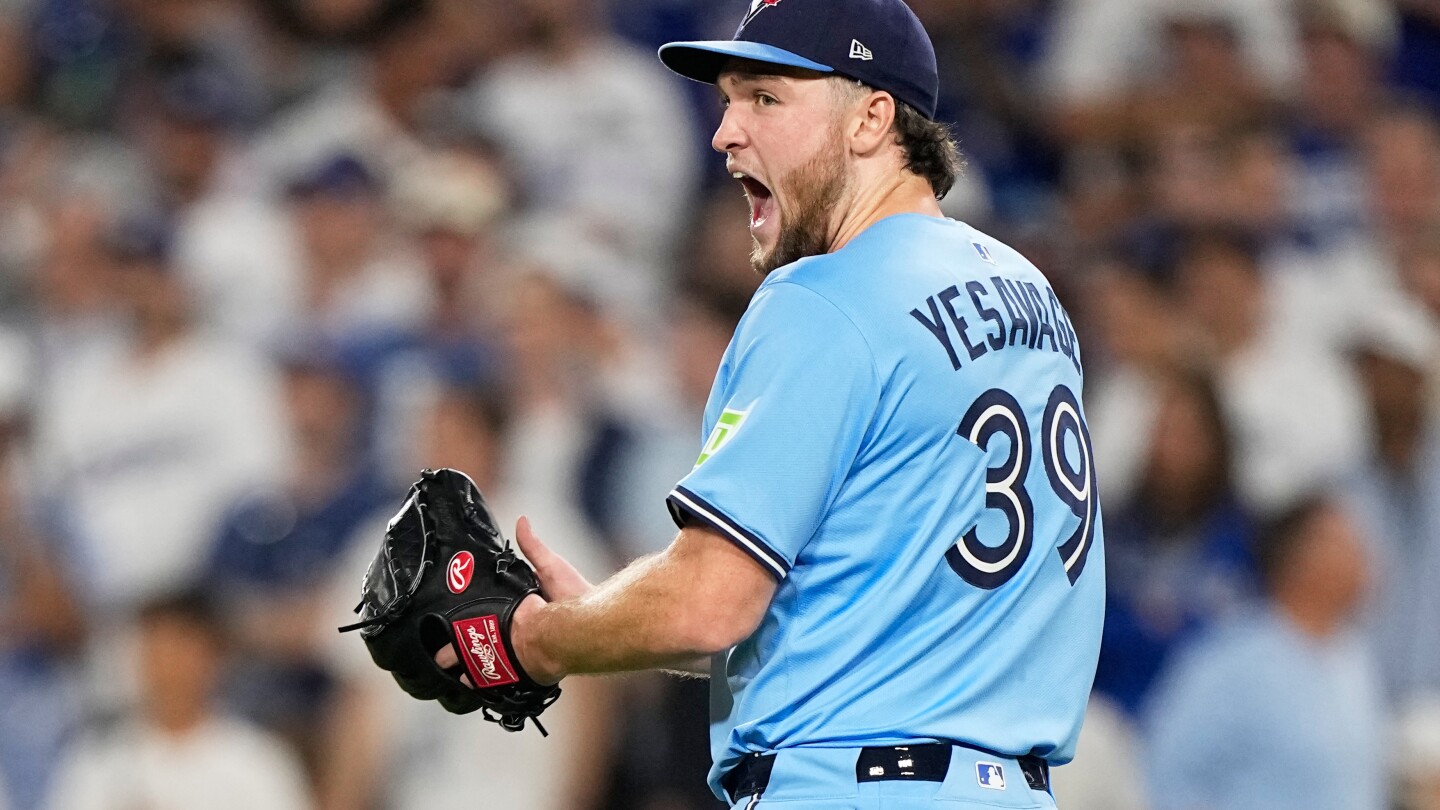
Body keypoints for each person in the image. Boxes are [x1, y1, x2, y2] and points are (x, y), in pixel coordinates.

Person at [435, 0, 1105, 807]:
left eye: (765, 98)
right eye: (728, 99)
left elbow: (709, 603)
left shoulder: (824, 296)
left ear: (871, 119)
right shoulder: (1028, 292)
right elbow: (839, 611)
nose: (725, 132)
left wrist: (535, 641)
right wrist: (602, 619)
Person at [1143, 496, 1386, 810]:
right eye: (1346, 545)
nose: (1365, 559)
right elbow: (1167, 773)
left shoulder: (1353, 656)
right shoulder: (1230, 661)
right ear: (1299, 559)